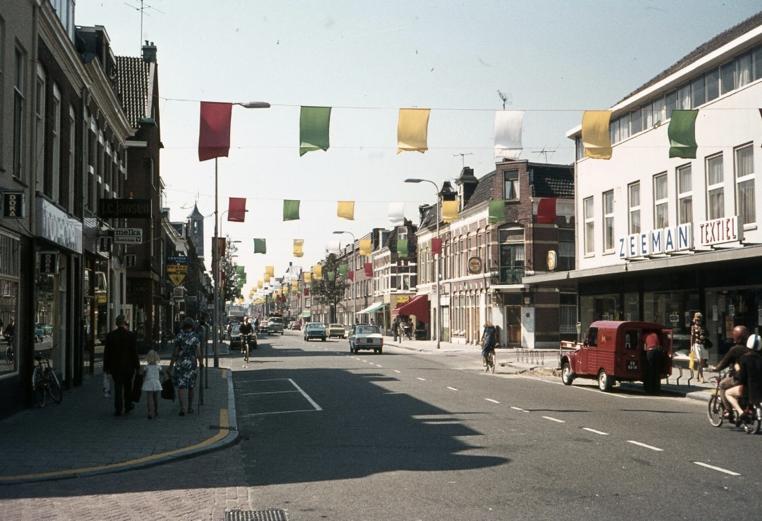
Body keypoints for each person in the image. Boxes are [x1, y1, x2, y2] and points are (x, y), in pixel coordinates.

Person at [103, 314, 140, 417]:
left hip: (115, 367)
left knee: (118, 387)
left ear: (116, 323)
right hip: (128, 366)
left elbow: (107, 353)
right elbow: (134, 352)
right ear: (125, 323)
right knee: (128, 386)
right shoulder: (131, 335)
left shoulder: (111, 336)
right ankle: (128, 405)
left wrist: (106, 367)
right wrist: (137, 366)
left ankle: (118, 408)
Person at [710, 325, 750, 418]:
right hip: (751, 378)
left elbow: (725, 362)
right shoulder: (751, 349)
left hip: (739, 377)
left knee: (723, 385)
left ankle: (728, 410)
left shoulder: (735, 349)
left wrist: (716, 368)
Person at [168, 317, 203, 416]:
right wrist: (201, 363)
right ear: (192, 326)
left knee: (181, 386)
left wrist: (170, 367)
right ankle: (190, 407)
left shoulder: (179, 337)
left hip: (181, 363)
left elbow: (175, 353)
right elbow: (199, 353)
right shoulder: (195, 337)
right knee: (191, 385)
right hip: (192, 364)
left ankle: (182, 408)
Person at [725, 334, 762, 424]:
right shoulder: (761, 358)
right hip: (760, 389)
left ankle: (740, 412)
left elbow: (742, 378)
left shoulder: (745, 358)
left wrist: (738, 369)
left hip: (747, 390)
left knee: (727, 393)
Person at [141, 350, 165, 419]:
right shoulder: (158, 367)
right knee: (155, 398)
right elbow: (162, 372)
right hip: (155, 383)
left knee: (149, 398)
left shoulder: (147, 367)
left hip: (149, 382)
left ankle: (149, 411)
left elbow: (143, 374)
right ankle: (156, 409)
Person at [690, 312, 710, 383]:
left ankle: (697, 374)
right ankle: (701, 376)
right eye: (697, 320)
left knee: (701, 361)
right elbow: (692, 337)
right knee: (700, 360)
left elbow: (708, 334)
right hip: (696, 344)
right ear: (694, 320)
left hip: (703, 345)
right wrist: (691, 346)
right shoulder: (693, 327)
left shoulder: (704, 327)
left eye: (699, 320)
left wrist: (704, 336)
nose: (698, 322)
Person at [642, 329, 663, 394]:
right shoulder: (655, 335)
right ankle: (656, 389)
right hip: (657, 352)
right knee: (656, 371)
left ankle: (648, 389)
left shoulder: (644, 335)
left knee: (649, 370)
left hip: (650, 352)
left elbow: (643, 345)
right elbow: (658, 344)